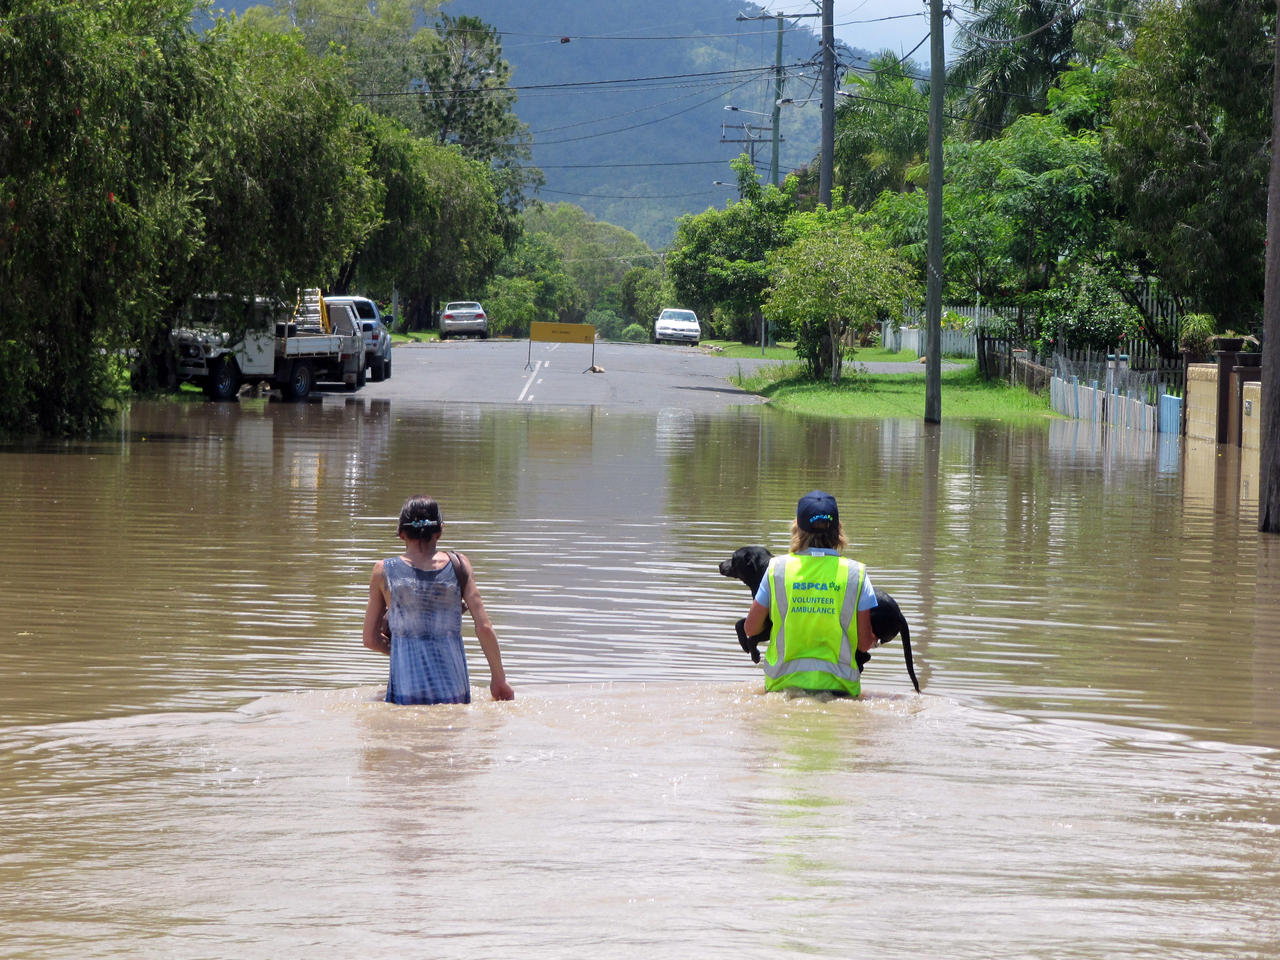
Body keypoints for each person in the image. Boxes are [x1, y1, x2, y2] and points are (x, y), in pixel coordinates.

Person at [362, 495, 515, 704]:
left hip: (407, 689)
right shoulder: (460, 565)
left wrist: (402, 647)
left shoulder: (383, 571)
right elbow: (484, 627)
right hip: (454, 688)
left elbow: (370, 639)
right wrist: (499, 679)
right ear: (440, 531)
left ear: (400, 533)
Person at [742, 490, 878, 697]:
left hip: (781, 687)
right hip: (839, 690)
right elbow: (864, 643)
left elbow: (750, 629)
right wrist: (878, 638)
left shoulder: (777, 569)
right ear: (838, 529)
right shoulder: (856, 574)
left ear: (797, 528)